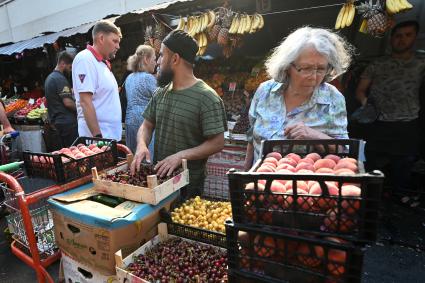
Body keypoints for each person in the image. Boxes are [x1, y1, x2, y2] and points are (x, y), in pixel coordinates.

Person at [130, 30, 227, 198]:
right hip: (160, 181)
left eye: (161, 56)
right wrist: (141, 145)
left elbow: (217, 143)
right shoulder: (160, 92)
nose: (158, 62)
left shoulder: (207, 97)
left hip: (189, 187)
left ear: (175, 59)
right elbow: (147, 124)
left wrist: (180, 156)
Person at [244, 27, 352, 170]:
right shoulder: (265, 91)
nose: (314, 77)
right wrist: (245, 174)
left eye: (321, 69)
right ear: (288, 66)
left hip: (304, 188)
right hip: (260, 184)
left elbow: (344, 150)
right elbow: (252, 139)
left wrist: (314, 136)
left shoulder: (333, 99)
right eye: (306, 68)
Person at [356, 21, 425, 205]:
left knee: (404, 163)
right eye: (398, 36)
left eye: (407, 35)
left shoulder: (421, 64)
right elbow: (361, 90)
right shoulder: (378, 63)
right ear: (391, 39)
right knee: (369, 160)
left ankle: (399, 195)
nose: (402, 39)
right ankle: (367, 196)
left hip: (407, 122)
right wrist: (367, 106)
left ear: (415, 37)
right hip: (378, 121)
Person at [72, 20, 122, 140]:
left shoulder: (102, 63)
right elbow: (85, 101)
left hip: (110, 137)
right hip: (99, 142)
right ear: (101, 38)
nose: (118, 46)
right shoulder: (85, 59)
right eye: (114, 41)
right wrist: (98, 138)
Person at [124, 45, 157, 155]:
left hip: (130, 121)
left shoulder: (129, 78)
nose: (156, 63)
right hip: (144, 123)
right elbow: (160, 99)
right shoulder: (148, 78)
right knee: (147, 158)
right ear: (146, 59)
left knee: (134, 157)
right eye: (154, 59)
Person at [44, 51, 78, 147]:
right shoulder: (60, 79)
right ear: (63, 64)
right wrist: (81, 109)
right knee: (73, 152)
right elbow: (68, 102)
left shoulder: (49, 78)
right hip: (67, 124)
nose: (71, 70)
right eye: (70, 67)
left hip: (57, 123)